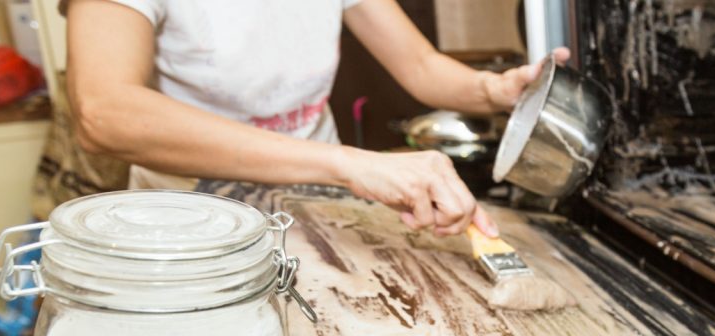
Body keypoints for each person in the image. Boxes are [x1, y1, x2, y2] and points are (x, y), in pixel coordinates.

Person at [65, 0, 570, 238]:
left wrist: (492, 89)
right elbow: (105, 112)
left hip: (312, 201)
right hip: (193, 218)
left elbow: (418, 66)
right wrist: (347, 163)